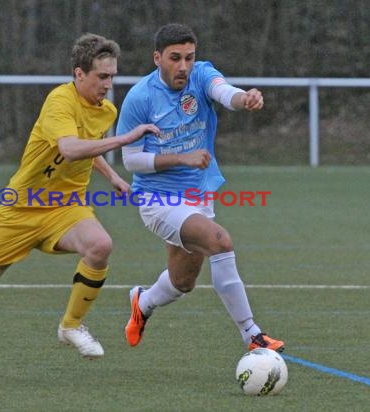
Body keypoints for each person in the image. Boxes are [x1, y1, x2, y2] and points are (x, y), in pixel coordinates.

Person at [0, 33, 160, 379]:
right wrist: (128, 138)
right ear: (79, 74)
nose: (109, 85)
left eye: (113, 76)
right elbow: (69, 148)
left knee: (100, 245)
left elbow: (90, 145)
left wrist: (111, 175)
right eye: (102, 76)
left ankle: (71, 325)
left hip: (65, 206)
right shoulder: (59, 101)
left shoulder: (106, 110)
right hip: (21, 209)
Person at [116, 23, 284, 353]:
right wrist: (181, 158)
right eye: (174, 58)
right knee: (219, 241)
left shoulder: (201, 75)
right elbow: (131, 160)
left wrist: (244, 97)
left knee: (182, 283)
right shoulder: (140, 97)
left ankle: (143, 301)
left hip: (198, 194)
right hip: (158, 198)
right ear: (157, 58)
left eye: (189, 57)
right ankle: (252, 334)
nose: (183, 66)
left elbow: (224, 92)